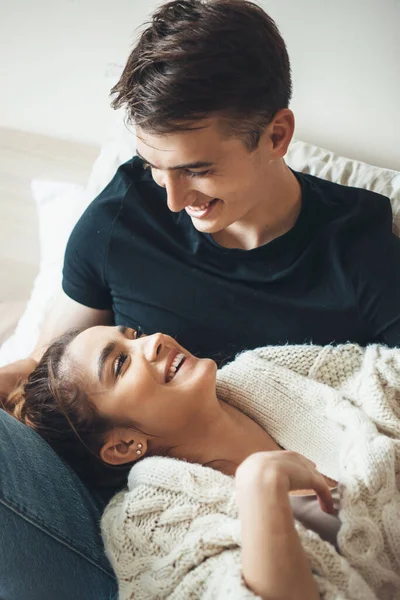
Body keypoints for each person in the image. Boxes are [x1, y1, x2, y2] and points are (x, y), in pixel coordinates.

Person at [1, 0, 400, 597]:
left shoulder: (361, 255)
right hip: (142, 537)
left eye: (197, 170)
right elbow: (49, 371)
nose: (169, 199)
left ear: (277, 135)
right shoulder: (120, 221)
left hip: (317, 530)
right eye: (152, 166)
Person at [3, 324, 341, 600]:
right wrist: (260, 484)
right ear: (122, 445)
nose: (153, 342)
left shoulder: (275, 370)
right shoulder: (149, 525)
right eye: (120, 364)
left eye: (134, 335)